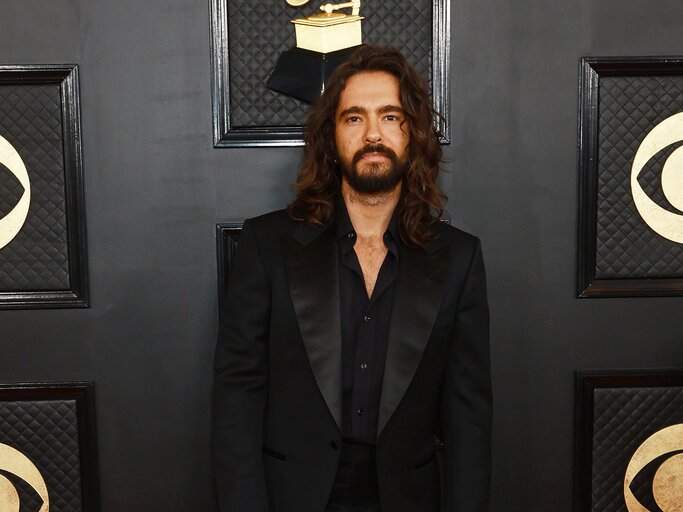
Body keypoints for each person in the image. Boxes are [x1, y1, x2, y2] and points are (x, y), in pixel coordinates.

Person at [213, 44, 491, 512]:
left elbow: (468, 417)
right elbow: (237, 397)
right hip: (293, 496)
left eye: (390, 117)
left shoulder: (459, 258)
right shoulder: (266, 244)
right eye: (354, 118)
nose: (373, 135)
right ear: (331, 137)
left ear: (414, 134)